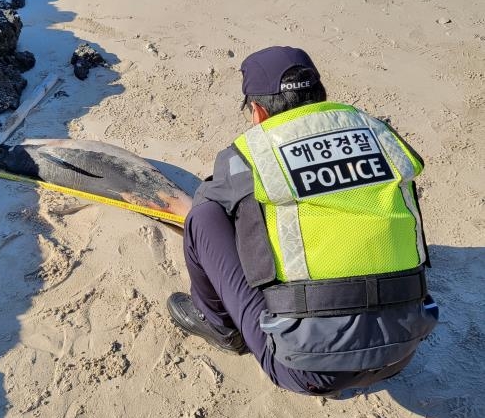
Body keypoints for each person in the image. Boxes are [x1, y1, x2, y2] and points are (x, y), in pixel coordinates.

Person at [167, 46, 438, 396]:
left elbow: (213, 204)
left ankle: (219, 327)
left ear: (259, 112)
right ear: (321, 96)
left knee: (203, 216)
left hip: (308, 369)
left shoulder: (253, 151)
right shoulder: (376, 131)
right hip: (404, 348)